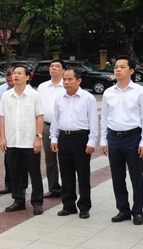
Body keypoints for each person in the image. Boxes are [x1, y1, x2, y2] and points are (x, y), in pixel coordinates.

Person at [100, 55, 143, 226]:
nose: (117, 70)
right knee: (117, 177)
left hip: (133, 138)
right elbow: (104, 118)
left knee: (136, 177)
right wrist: (103, 141)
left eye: (122, 67)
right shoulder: (108, 92)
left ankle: (138, 211)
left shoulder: (140, 92)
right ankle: (123, 210)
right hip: (114, 138)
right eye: (115, 67)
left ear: (131, 70)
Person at [50, 69, 98, 219]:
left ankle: (84, 206)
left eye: (70, 79)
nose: (66, 82)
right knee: (66, 174)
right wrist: (54, 138)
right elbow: (55, 120)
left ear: (79, 80)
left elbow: (93, 121)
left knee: (83, 174)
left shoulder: (88, 98)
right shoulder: (59, 98)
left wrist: (92, 140)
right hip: (64, 137)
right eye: (64, 79)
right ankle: (68, 205)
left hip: (81, 138)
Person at [0, 66, 44, 215]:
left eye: (19, 73)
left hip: (29, 140)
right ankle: (18, 200)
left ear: (27, 77)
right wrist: (3, 138)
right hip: (13, 140)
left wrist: (38, 137)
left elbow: (39, 117)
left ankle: (37, 202)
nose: (15, 76)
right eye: (14, 73)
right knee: (15, 172)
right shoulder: (7, 96)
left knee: (34, 172)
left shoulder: (34, 95)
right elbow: (3, 117)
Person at [36, 59, 65, 198]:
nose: (53, 68)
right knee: (50, 159)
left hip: (64, 128)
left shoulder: (67, 85)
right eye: (51, 66)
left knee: (65, 158)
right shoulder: (42, 87)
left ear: (63, 70)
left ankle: (67, 186)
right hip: (47, 126)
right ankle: (54, 187)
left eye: (57, 66)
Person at [0, 68, 14, 194]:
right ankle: (9, 184)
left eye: (11, 81)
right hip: (6, 126)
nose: (10, 83)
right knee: (8, 157)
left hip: (21, 128)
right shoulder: (1, 90)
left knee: (22, 159)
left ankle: (21, 186)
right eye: (7, 81)